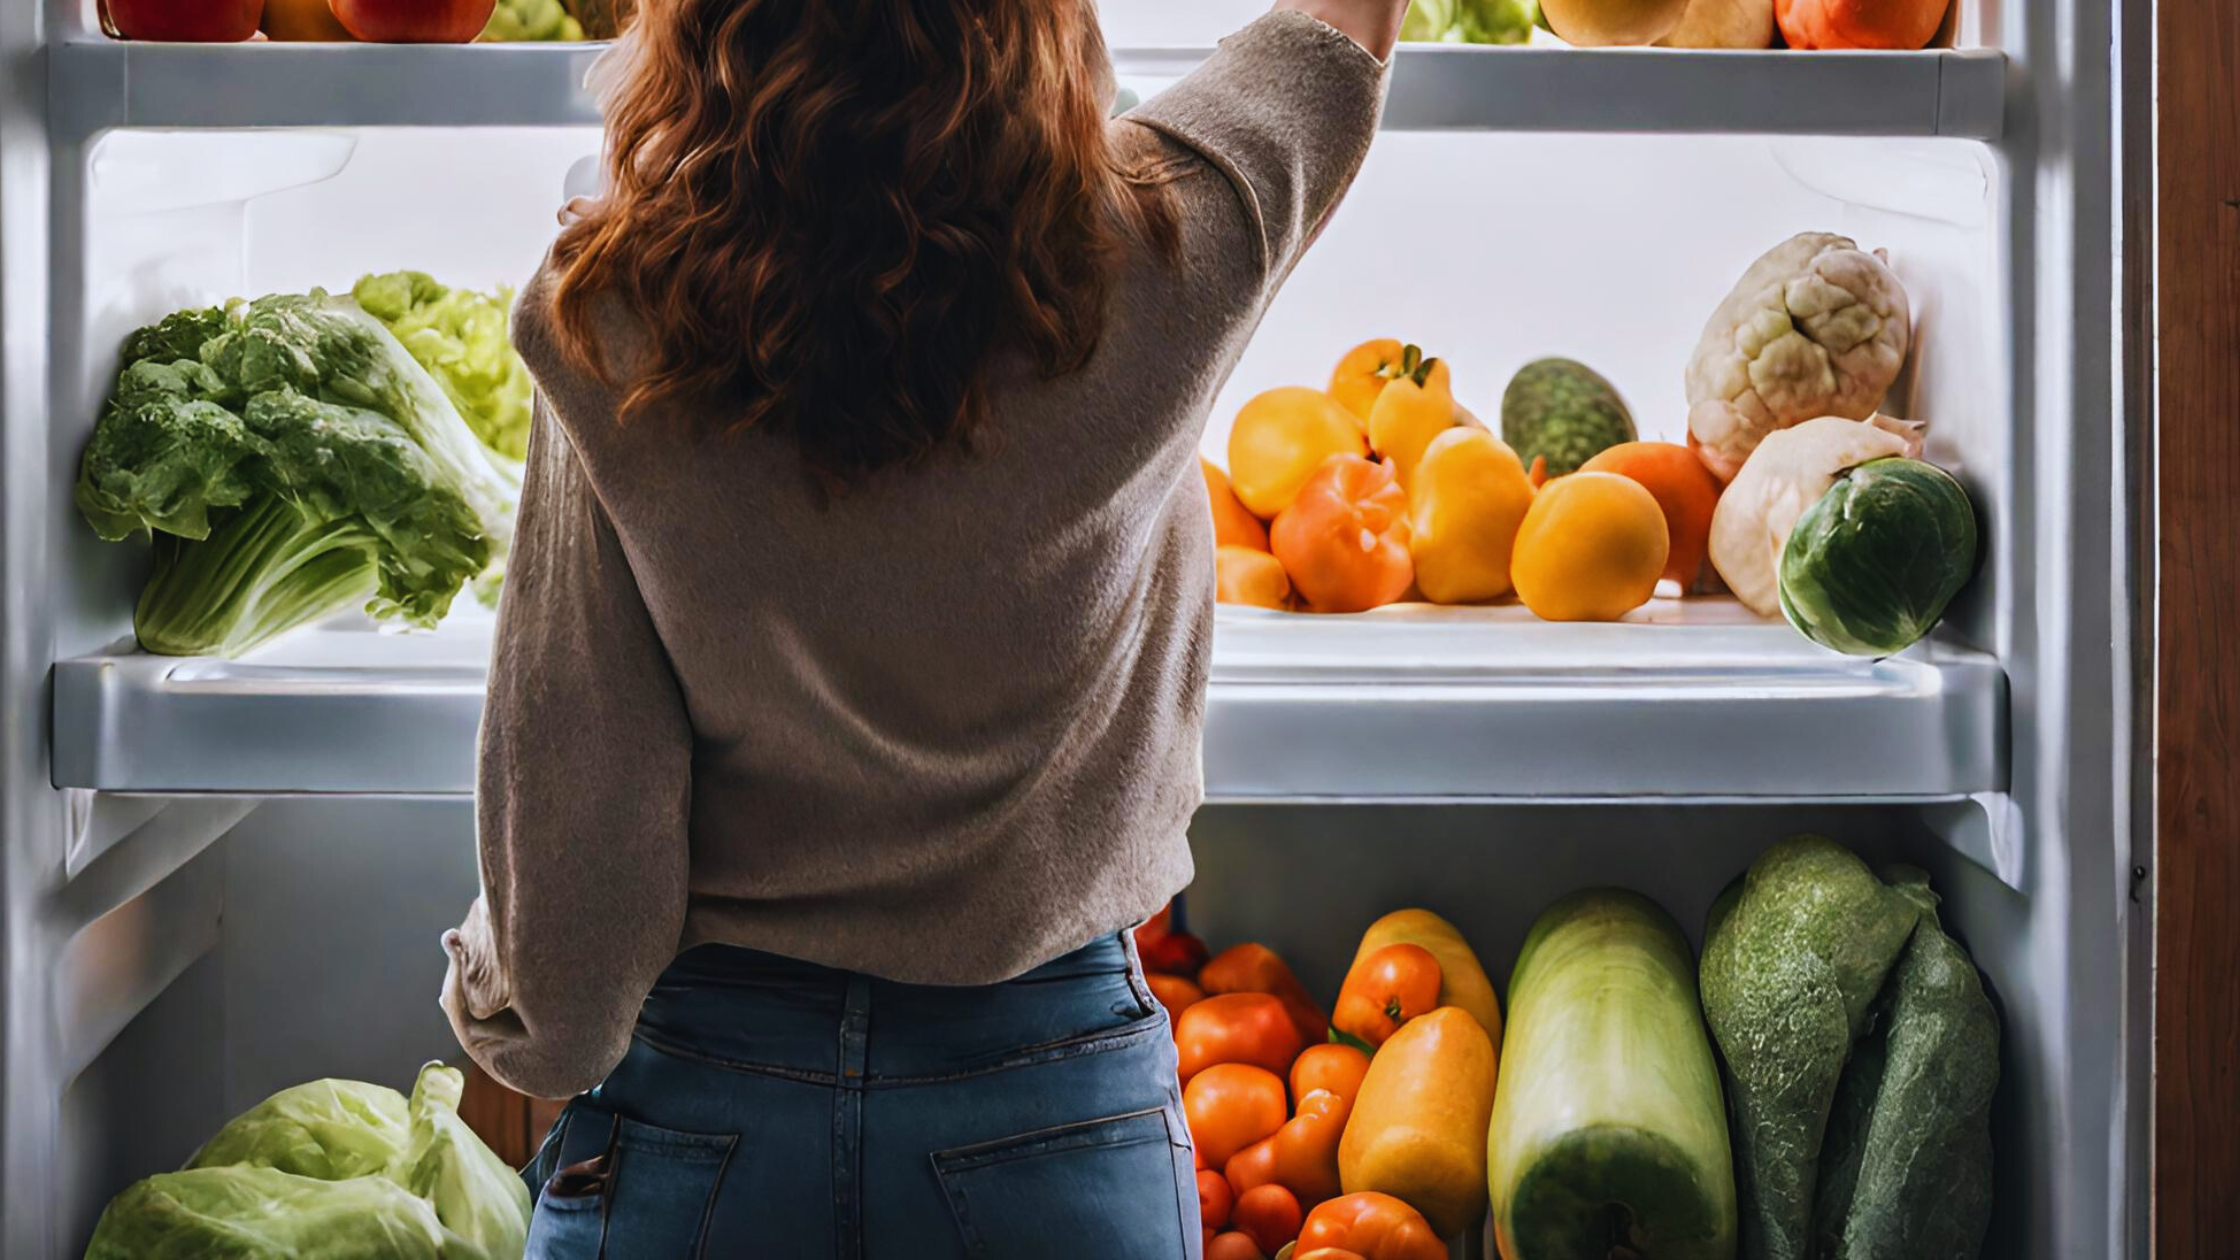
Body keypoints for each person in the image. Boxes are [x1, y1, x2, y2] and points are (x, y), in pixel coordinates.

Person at [440, 0, 1405, 1253]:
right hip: (1052, 1113)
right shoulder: (1170, 251)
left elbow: (574, 881)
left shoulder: (612, 314)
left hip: (707, 1111)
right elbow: (1328, 59)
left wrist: (504, 1027)